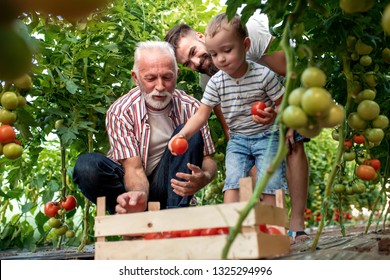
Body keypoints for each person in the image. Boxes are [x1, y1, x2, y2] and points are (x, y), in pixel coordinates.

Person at [165, 12, 310, 243]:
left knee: (293, 144)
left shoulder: (248, 33)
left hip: (283, 91)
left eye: (193, 52)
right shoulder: (210, 79)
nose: (195, 63)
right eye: (187, 63)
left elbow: (290, 72)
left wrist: (284, 120)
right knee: (240, 176)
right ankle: (239, 230)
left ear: (201, 37)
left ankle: (295, 225)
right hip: (247, 130)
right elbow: (225, 124)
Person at [73, 41, 217, 215]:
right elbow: (133, 169)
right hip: (131, 185)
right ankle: (130, 217)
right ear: (136, 78)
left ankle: (175, 219)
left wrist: (205, 177)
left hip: (168, 186)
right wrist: (137, 198)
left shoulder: (193, 109)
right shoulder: (120, 111)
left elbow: (208, 160)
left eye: (167, 77)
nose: (160, 87)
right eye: (150, 78)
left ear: (177, 74)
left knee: (187, 134)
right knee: (87, 166)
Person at [168, 13, 287, 207]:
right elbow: (201, 115)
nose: (220, 60)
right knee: (232, 185)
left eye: (227, 51)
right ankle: (232, 231)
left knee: (270, 184)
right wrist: (182, 135)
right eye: (214, 54)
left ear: (245, 46)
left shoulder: (264, 75)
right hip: (238, 142)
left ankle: (275, 231)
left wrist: (275, 115)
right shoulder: (214, 83)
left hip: (266, 136)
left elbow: (282, 102)